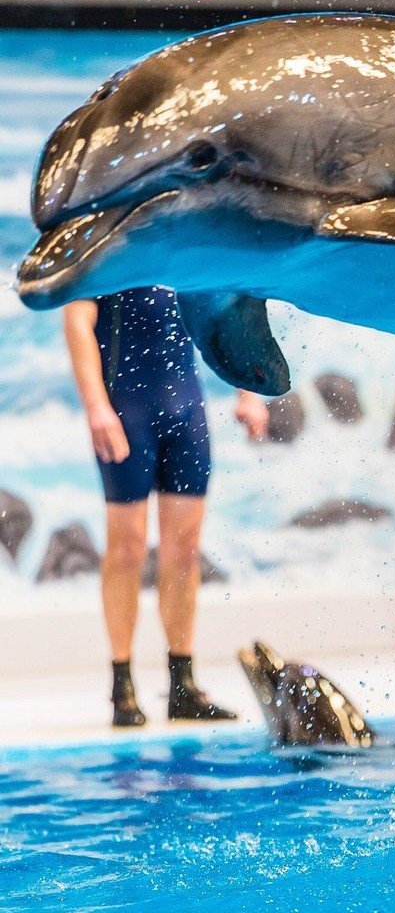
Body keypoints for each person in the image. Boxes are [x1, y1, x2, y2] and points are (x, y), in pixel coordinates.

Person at [63, 286, 270, 728]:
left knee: (185, 548)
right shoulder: (112, 241)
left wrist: (248, 391)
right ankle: (122, 685)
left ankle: (183, 685)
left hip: (186, 408)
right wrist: (97, 407)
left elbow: (229, 304)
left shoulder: (186, 244)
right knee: (127, 547)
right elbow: (77, 321)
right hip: (125, 409)